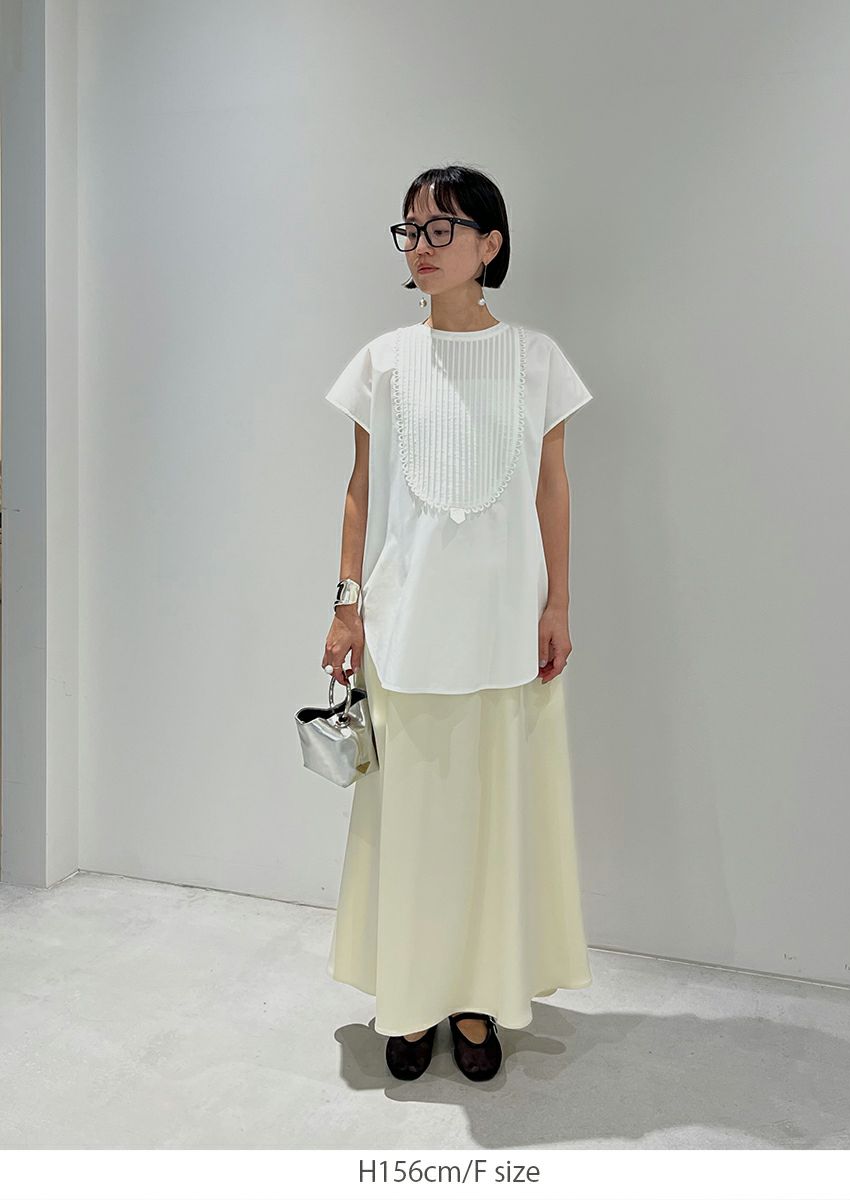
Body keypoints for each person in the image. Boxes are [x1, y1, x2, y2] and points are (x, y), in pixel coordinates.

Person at [321, 164, 594, 1084]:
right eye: (411, 230)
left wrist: (558, 602)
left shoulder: (538, 360)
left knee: (491, 826)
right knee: (414, 827)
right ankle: (409, 997)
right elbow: (360, 492)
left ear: (490, 244)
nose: (422, 246)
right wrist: (346, 606)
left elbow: (552, 489)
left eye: (442, 228)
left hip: (506, 630)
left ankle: (478, 998)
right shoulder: (383, 362)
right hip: (406, 628)